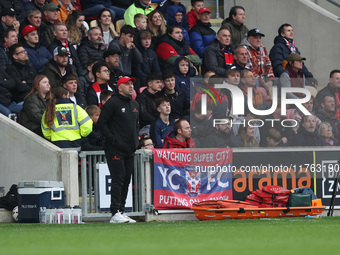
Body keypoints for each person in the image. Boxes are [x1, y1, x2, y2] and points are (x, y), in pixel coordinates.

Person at [97, 76, 139, 224]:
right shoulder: (112, 103)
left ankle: (121, 210)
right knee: (118, 179)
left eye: (132, 84)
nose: (131, 86)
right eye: (127, 84)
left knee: (127, 180)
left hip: (129, 149)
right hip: (115, 149)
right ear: (119, 87)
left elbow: (135, 126)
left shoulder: (134, 104)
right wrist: (113, 140)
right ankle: (114, 212)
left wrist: (136, 142)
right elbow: (102, 123)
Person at [240, 28, 275, 95]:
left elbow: (269, 65)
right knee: (255, 81)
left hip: (264, 79)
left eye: (260, 38)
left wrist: (270, 80)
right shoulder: (244, 49)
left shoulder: (263, 48)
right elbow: (249, 69)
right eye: (256, 38)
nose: (258, 40)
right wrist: (263, 83)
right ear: (249, 39)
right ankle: (263, 104)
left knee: (276, 81)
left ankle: (274, 103)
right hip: (254, 79)